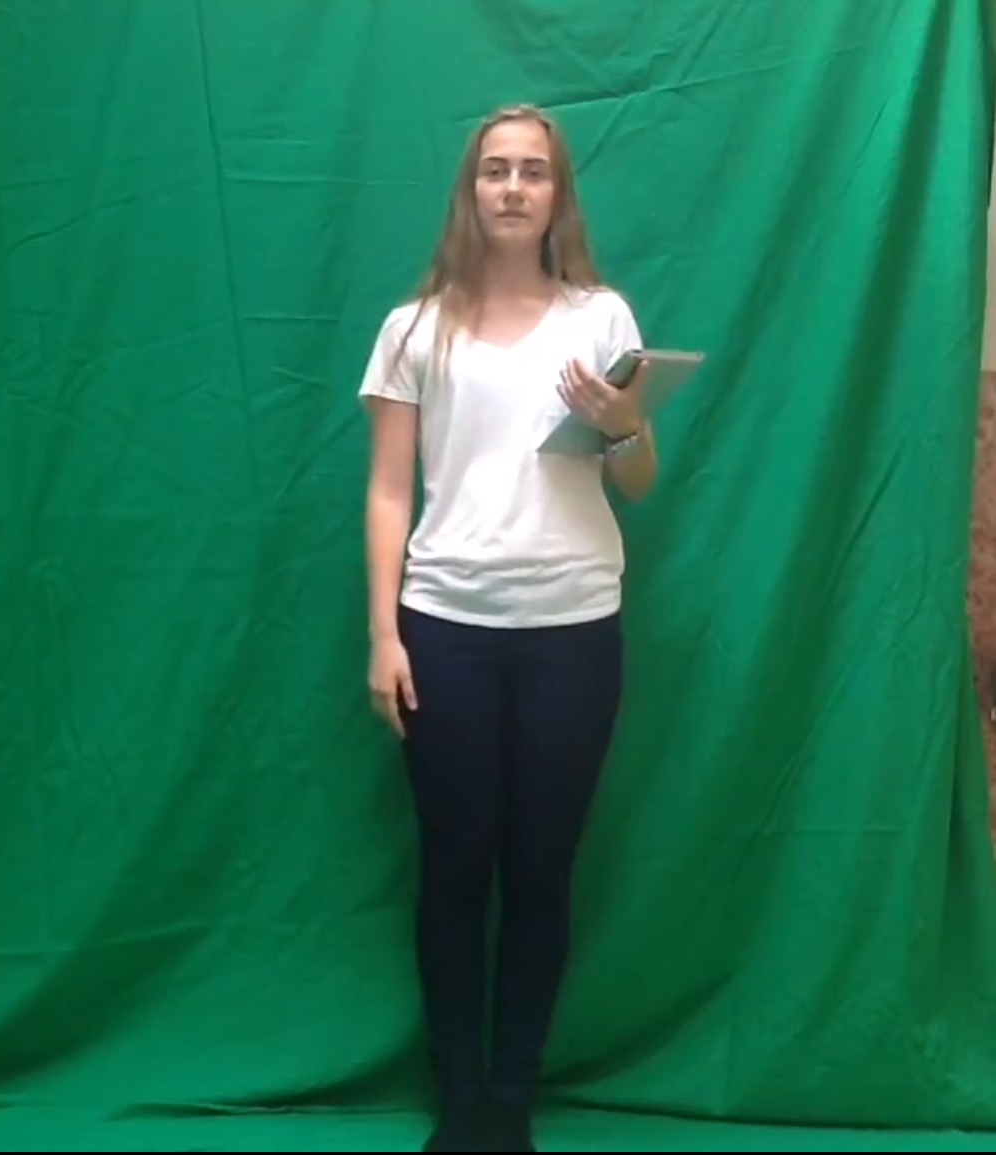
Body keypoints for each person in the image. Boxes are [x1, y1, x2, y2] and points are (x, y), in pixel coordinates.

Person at [358, 103, 657, 1152]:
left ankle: (510, 1101)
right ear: (470, 189)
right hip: (444, 628)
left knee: (540, 871)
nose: (514, 186)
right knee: (453, 867)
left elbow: (639, 481)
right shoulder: (413, 329)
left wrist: (624, 427)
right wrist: (384, 635)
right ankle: (459, 1100)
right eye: (496, 169)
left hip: (575, 630)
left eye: (534, 170)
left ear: (557, 193)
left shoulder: (602, 320)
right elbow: (388, 490)